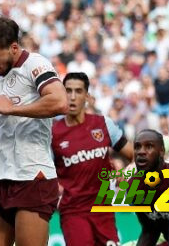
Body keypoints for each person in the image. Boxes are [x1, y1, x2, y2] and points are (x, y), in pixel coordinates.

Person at [0, 16, 68, 246]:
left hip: (32, 177)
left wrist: (13, 110)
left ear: (14, 47)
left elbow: (59, 102)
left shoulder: (35, 64)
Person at [51, 72, 132, 246]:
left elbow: (134, 156)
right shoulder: (53, 133)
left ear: (87, 96)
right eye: (68, 91)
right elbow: (46, 173)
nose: (72, 97)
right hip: (73, 212)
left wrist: (125, 173)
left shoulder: (103, 125)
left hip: (104, 210)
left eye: (78, 91)